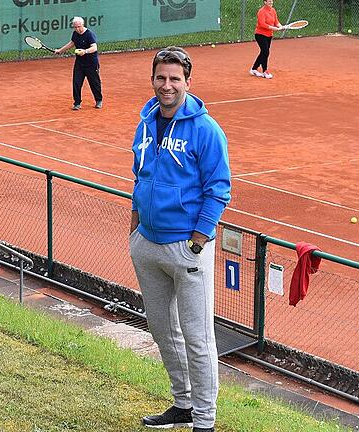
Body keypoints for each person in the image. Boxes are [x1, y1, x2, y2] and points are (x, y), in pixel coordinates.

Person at [129, 46, 231, 432]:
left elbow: (219, 188)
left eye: (175, 79)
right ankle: (183, 402)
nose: (167, 85)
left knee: (198, 337)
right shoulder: (147, 121)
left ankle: (204, 421)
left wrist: (198, 239)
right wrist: (135, 226)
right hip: (147, 243)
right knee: (161, 329)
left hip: (186, 248)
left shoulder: (206, 129)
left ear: (187, 81)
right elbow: (139, 175)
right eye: (161, 77)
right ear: (153, 79)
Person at [54, 16, 103, 111]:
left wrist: (85, 51)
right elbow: (72, 43)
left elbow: (94, 48)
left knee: (94, 83)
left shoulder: (89, 34)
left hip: (91, 64)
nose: (77, 29)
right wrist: (60, 50)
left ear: (83, 25)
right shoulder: (75, 34)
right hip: (80, 64)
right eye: (75, 27)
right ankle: (77, 103)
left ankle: (99, 100)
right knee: (76, 83)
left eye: (79, 27)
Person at [250, 0, 284, 79]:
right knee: (266, 51)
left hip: (269, 35)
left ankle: (254, 69)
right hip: (260, 34)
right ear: (265, 2)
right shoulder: (261, 11)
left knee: (264, 52)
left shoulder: (273, 10)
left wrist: (280, 26)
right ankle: (265, 71)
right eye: (269, 1)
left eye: (271, 1)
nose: (271, 2)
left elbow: (276, 21)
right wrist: (273, 28)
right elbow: (262, 24)